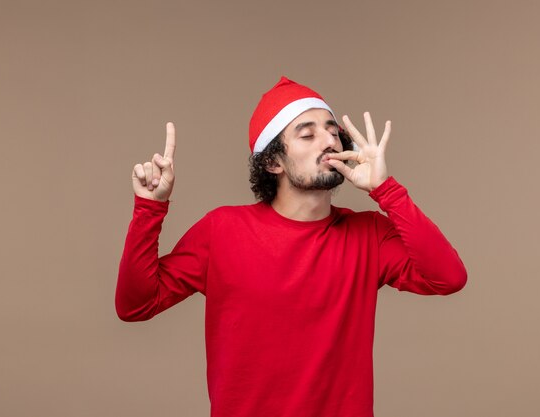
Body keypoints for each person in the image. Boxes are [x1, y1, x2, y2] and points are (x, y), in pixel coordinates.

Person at [116, 77, 467, 417]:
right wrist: (149, 208)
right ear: (273, 162)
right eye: (308, 134)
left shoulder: (369, 235)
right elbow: (136, 305)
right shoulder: (221, 230)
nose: (329, 141)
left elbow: (448, 278)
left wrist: (385, 190)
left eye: (332, 130)